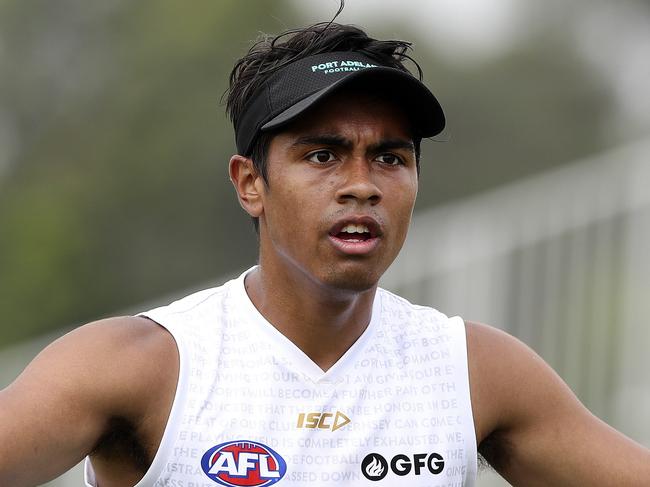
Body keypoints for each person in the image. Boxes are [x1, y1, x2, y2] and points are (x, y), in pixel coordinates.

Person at [1, 18, 649, 487]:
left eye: (390, 157)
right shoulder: (139, 365)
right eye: (323, 154)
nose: (362, 183)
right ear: (250, 183)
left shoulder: (473, 371)